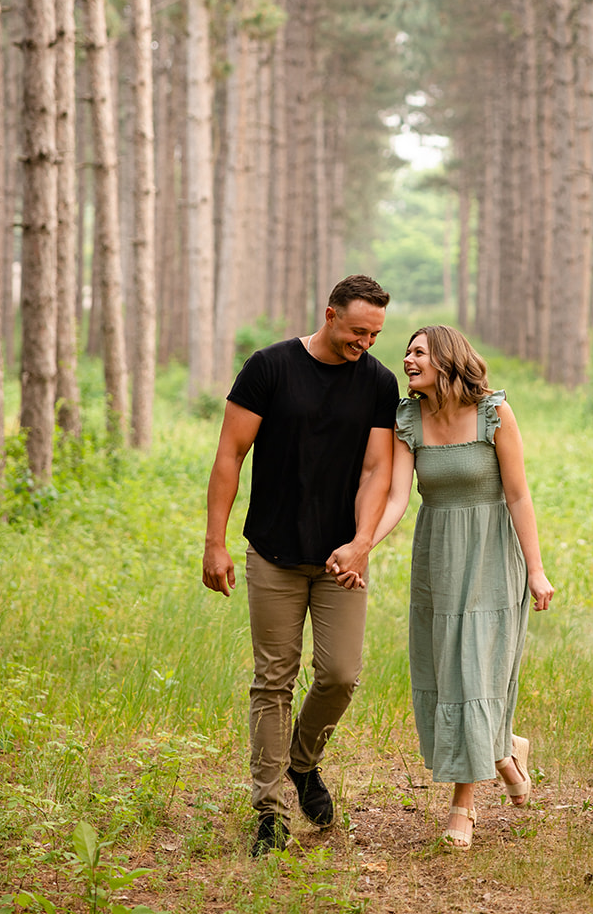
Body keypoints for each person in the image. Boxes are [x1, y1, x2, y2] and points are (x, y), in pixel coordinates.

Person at [202, 274, 399, 857]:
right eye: (357, 330)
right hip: (274, 551)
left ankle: (302, 763)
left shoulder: (378, 382)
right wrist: (215, 542)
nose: (364, 342)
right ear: (331, 314)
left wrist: (362, 542)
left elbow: (376, 471)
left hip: (341, 559)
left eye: (375, 334)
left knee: (340, 675)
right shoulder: (270, 367)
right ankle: (269, 811)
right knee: (274, 680)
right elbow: (230, 454)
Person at [363, 324, 554, 850]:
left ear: (446, 359)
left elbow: (518, 496)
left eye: (418, 351)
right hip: (439, 558)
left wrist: (536, 569)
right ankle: (505, 750)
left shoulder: (495, 413)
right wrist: (363, 546)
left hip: (492, 556)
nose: (407, 358)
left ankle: (462, 808)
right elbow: (399, 497)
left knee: (472, 673)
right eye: (406, 351)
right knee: (449, 675)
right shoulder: (408, 419)